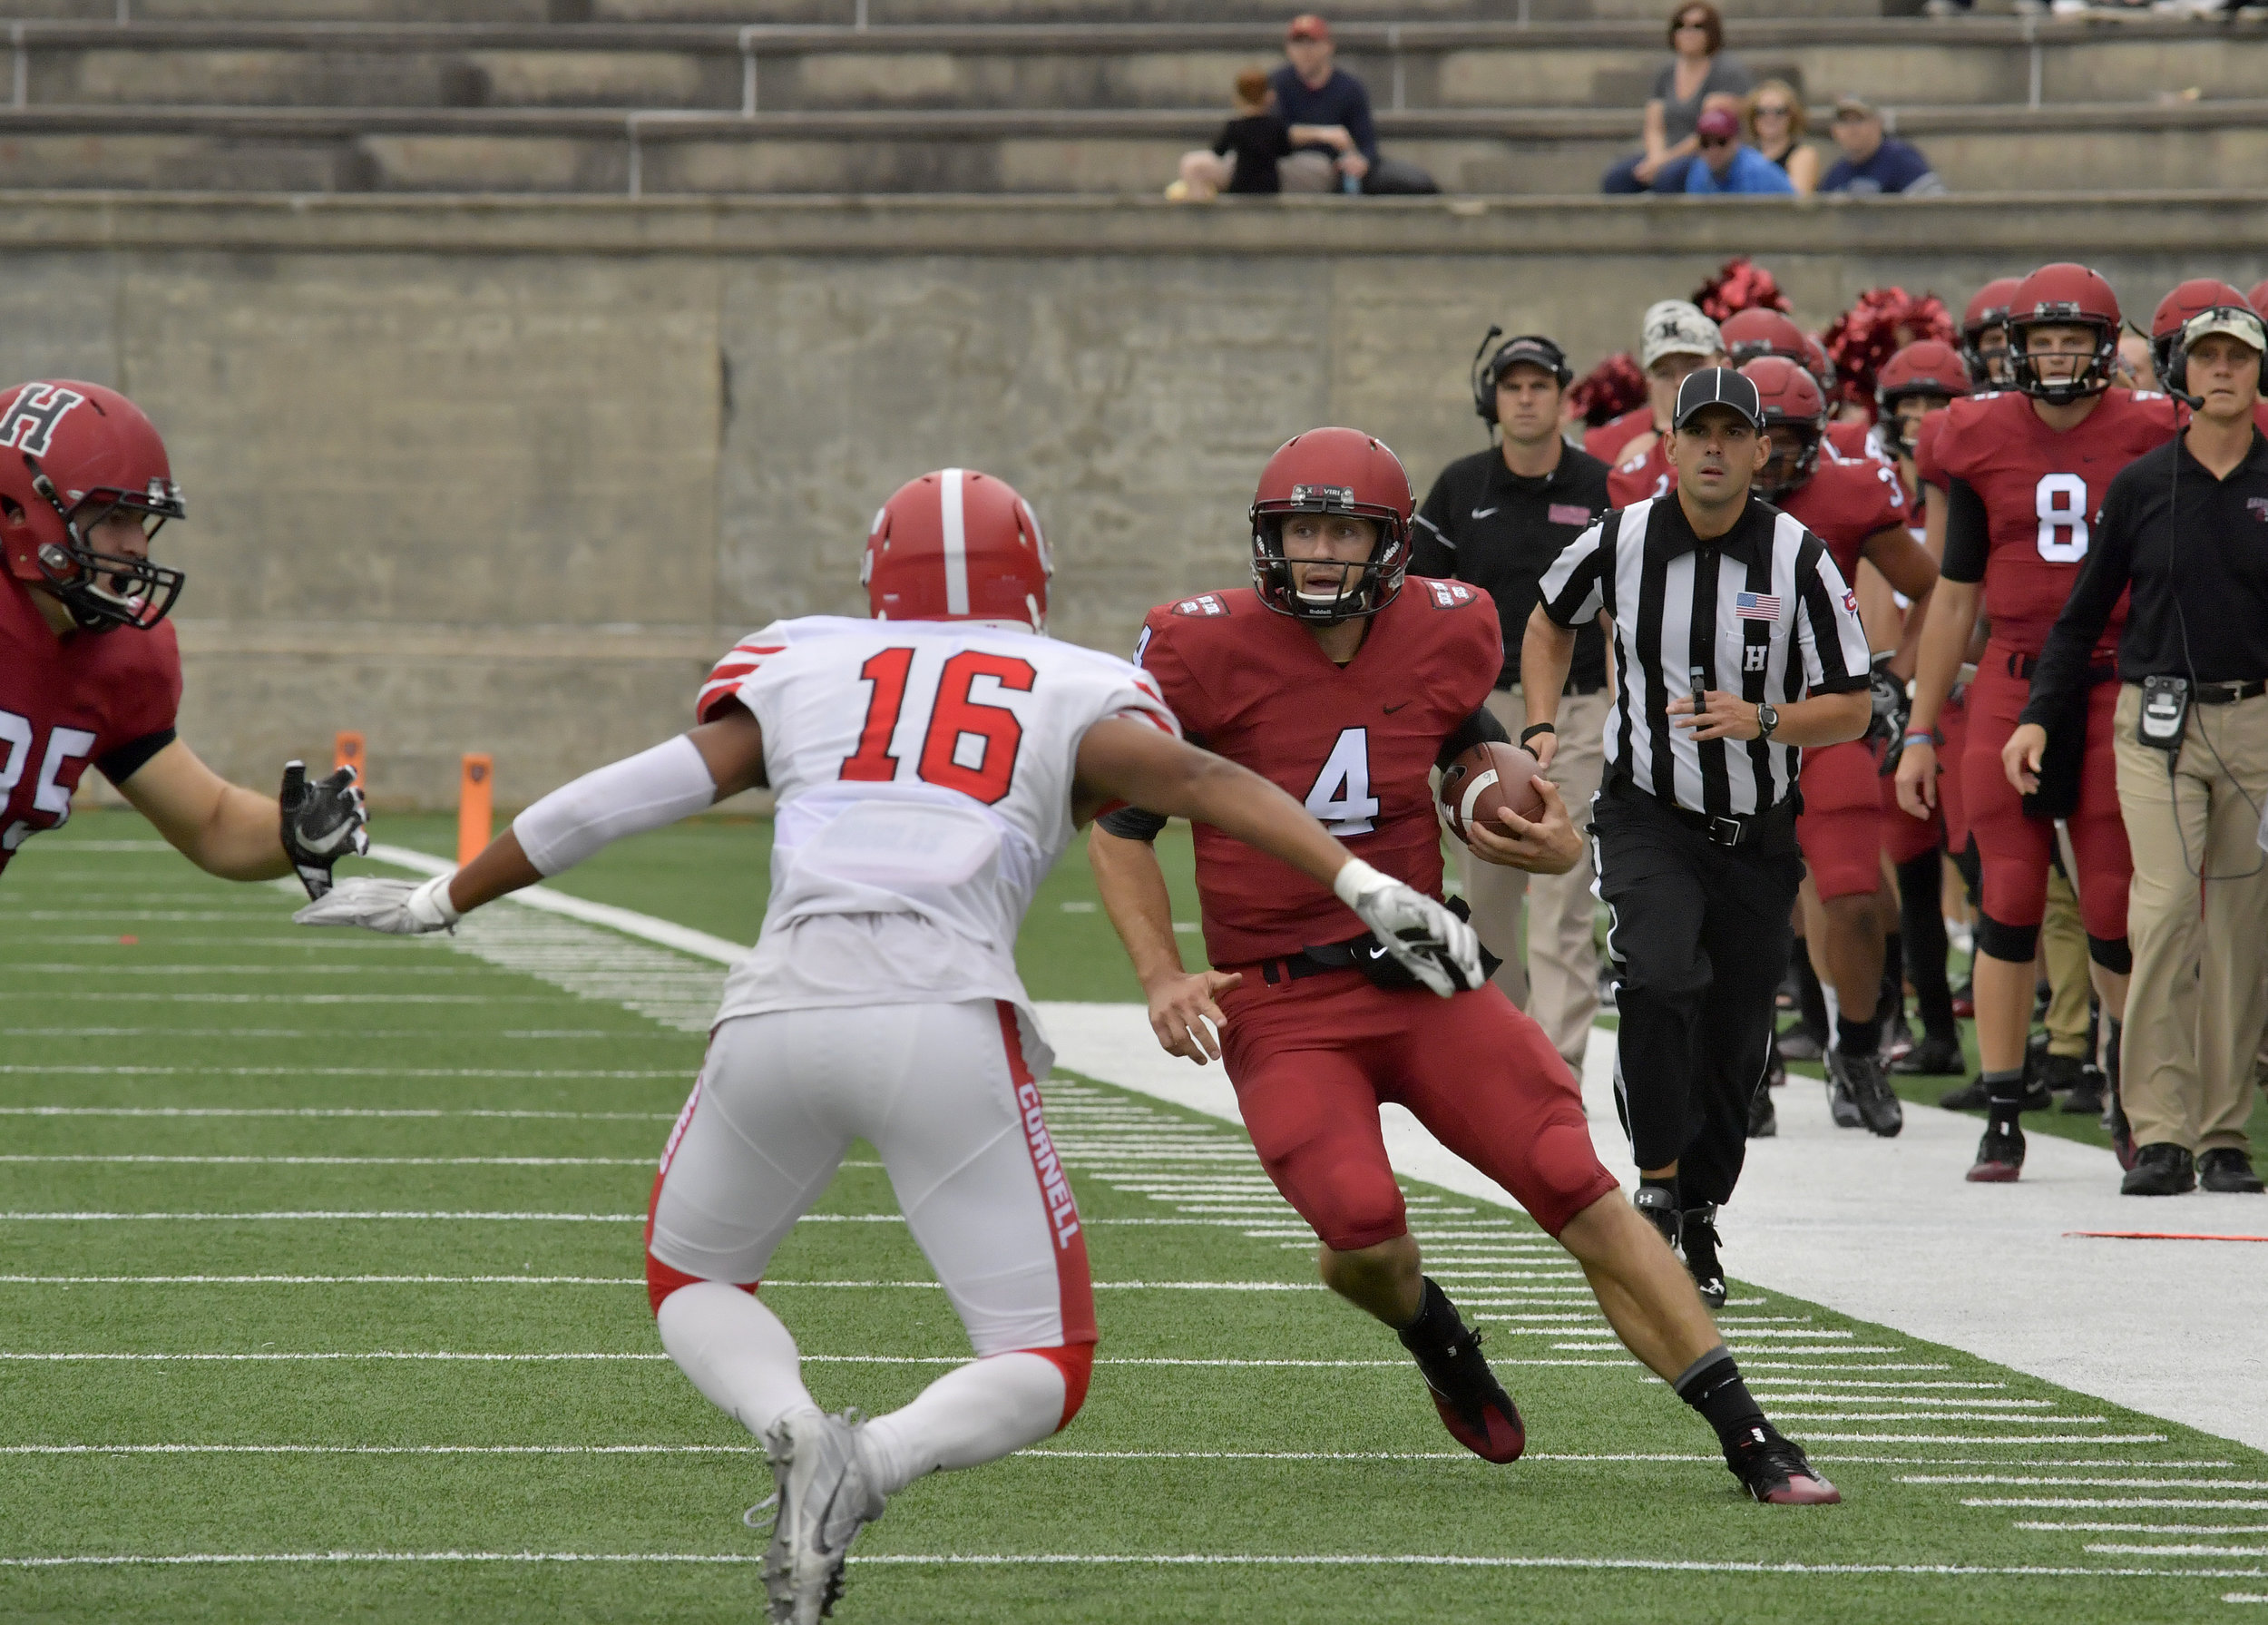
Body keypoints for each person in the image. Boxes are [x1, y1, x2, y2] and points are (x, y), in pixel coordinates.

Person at [299, 465, 1491, 1620]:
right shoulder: (1068, 678)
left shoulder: (805, 656)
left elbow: (629, 792)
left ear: (878, 577)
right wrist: (1358, 879)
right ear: (1036, 579)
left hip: (778, 1013)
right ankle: (869, 1461)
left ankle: (793, 1428)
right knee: (1040, 1359)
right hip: (942, 1018)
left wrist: (444, 897)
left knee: (695, 1276)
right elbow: (1199, 777)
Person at [1090, 426, 1841, 1507]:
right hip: (1284, 998)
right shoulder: (1199, 649)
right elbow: (1122, 829)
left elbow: (1463, 748)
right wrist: (1164, 974)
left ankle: (1752, 1435)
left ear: (1390, 546)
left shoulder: (1441, 630)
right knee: (1358, 1230)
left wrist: (1530, 824)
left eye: (1341, 531)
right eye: (1300, 528)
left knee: (1576, 1186)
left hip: (1423, 975)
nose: (1316, 553)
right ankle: (1431, 1329)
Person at [1526, 367, 1872, 1312]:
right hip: (1645, 813)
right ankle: (1654, 1178)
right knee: (1658, 977)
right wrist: (1543, 724)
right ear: (1668, 447)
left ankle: (1699, 1211)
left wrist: (1763, 721)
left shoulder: (1800, 556)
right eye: (1698, 432)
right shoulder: (1622, 539)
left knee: (1735, 1044)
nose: (1714, 448)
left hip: (1756, 831)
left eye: (1734, 433)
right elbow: (1548, 622)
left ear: (1764, 451)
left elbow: (1851, 705)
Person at [1895, 263, 2179, 1183]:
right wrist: (1920, 725)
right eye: (2042, 339)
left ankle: (2130, 1093)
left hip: (2111, 684)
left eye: (2074, 339)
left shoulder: (2150, 429)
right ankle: (2005, 1106)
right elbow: (1951, 599)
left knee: (2109, 900)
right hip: (2013, 681)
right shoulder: (1974, 437)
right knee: (2006, 898)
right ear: (2012, 349)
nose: (2057, 356)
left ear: (2107, 347)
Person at [2006, 302, 2268, 1198]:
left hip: (2257, 722)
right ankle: (2157, 1129)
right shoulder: (2141, 485)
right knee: (2161, 913)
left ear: (2258, 370)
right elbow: (2081, 617)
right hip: (2153, 722)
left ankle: (2225, 1132)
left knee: (2238, 927)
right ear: (2179, 373)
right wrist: (2039, 714)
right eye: (2207, 357)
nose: (2222, 371)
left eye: (2238, 356)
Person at [0, 378, 367, 893]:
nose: (136, 547)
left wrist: (294, 834)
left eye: (141, 521)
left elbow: (211, 823)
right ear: (16, 511)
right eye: (113, 518)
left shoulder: (118, 658)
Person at [1740, 357, 1939, 1135]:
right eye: (1762, 438)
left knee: (1854, 897)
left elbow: (1935, 588)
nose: (1773, 458)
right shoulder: (1683, 500)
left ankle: (1856, 1048)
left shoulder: (1850, 494)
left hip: (1826, 721)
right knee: (1727, 910)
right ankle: (1745, 1061)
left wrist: (1897, 674)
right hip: (1727, 730)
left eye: (1789, 441)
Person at [1412, 333, 1614, 1071]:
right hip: (1479, 712)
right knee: (1490, 891)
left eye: (1539, 385)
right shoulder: (1461, 487)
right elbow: (1415, 601)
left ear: (1563, 396)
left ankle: (1557, 1066)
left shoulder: (1603, 485)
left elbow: (1622, 606)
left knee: (1562, 895)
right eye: (1512, 386)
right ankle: (1505, 1052)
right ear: (1490, 400)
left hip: (1580, 706)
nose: (1526, 398)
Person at [1269, 15, 1437, 195]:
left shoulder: (1349, 88)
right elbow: (1273, 134)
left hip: (1340, 168)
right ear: (1288, 49)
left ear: (1328, 46)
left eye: (1312, 43)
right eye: (1298, 44)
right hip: (1296, 165)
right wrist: (1325, 135)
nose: (1305, 51)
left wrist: (1360, 161)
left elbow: (1367, 142)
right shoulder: (1277, 85)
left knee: (1415, 182)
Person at [1601, 3, 1753, 195]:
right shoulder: (1666, 72)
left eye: (1698, 26)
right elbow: (1654, 126)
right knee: (1617, 179)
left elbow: (1709, 133)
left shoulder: (1726, 71)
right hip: (1665, 154)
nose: (1688, 32)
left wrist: (1664, 162)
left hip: (1706, 155)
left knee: (1669, 179)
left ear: (1712, 32)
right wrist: (1656, 158)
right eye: (1681, 26)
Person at [1605, 301, 1728, 504]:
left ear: (1726, 367)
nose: (1680, 381)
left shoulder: (1754, 432)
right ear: (1649, 383)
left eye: (1694, 366)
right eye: (1665, 373)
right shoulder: (1613, 446)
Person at [1173, 67, 1356, 201]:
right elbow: (1285, 150)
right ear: (1269, 96)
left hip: (1242, 183)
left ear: (1237, 98)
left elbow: (1218, 150)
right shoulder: (1274, 125)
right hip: (1269, 183)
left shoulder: (1235, 126)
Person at [1821, 97, 1946, 197]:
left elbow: (1935, 210)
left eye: (1859, 120)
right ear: (1834, 130)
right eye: (1844, 122)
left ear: (1878, 124)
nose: (1852, 128)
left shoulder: (1901, 159)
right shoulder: (1836, 174)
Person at [1684, 104, 1795, 196]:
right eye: (1705, 143)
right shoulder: (1698, 171)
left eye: (1722, 141)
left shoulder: (1758, 173)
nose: (1713, 150)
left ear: (1736, 141)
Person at [1746, 79, 1820, 196]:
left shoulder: (1803, 154)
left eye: (1779, 111)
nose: (1770, 118)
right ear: (1752, 117)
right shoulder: (1745, 155)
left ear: (1792, 116)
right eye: (1761, 111)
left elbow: (1798, 201)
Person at [1959, 278, 2021, 390]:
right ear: (1976, 347)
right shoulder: (1962, 406)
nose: (2004, 347)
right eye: (1994, 340)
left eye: (2015, 338)